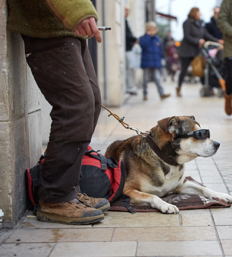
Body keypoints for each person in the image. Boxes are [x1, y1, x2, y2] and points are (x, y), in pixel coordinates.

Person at [6, 0, 110, 224]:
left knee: (90, 103)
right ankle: (55, 197)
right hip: (47, 25)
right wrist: (78, 10)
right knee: (76, 106)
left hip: (67, 27)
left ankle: (69, 189)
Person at [177, 7, 222, 97]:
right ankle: (178, 88)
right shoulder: (187, 23)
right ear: (194, 13)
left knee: (205, 68)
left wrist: (218, 41)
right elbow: (187, 36)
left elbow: (206, 35)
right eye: (198, 13)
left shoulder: (200, 24)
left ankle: (207, 87)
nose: (200, 14)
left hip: (197, 51)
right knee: (184, 70)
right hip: (187, 51)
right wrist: (198, 41)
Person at [139, 22, 171, 101]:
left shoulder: (157, 39)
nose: (153, 31)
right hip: (147, 62)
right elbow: (143, 45)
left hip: (156, 62)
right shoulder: (143, 38)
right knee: (145, 79)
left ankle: (161, 94)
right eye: (151, 29)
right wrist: (148, 36)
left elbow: (160, 50)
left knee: (157, 78)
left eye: (154, 29)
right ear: (147, 30)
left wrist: (161, 59)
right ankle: (145, 94)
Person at [125, 6, 138, 95]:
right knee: (130, 68)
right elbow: (127, 35)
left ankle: (131, 86)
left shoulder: (125, 21)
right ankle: (130, 87)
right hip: (127, 48)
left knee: (131, 68)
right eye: (126, 10)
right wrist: (135, 39)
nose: (127, 12)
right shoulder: (123, 21)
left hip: (129, 48)